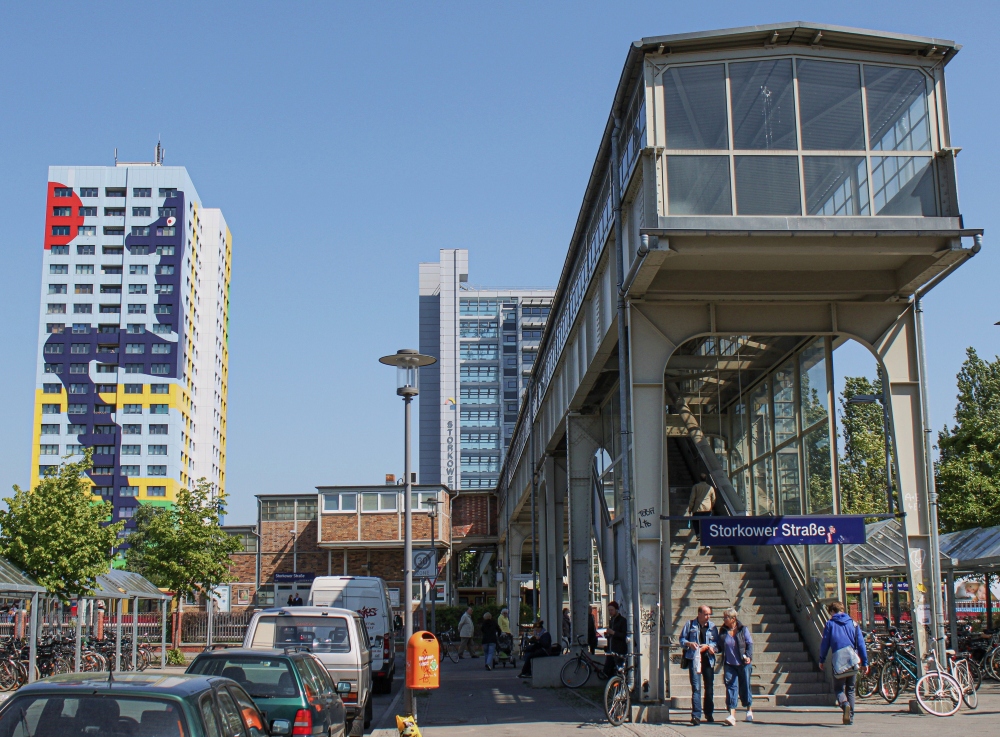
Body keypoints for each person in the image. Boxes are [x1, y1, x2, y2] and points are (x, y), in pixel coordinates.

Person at [819, 601, 869, 725]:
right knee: (851, 689)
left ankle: (844, 704)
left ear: (832, 611)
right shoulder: (853, 623)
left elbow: (825, 643)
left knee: (838, 689)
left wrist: (822, 659)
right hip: (852, 660)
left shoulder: (830, 624)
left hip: (838, 661)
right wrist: (865, 662)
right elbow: (861, 644)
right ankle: (850, 717)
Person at [679, 604, 718, 726]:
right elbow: (682, 639)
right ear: (699, 614)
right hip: (694, 659)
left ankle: (709, 712)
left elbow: (717, 643)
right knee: (696, 688)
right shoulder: (690, 624)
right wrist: (689, 644)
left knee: (709, 687)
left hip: (707, 659)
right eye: (706, 614)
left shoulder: (712, 627)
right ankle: (696, 715)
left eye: (709, 614)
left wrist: (712, 647)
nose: (708, 617)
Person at [718, 608, 753, 725]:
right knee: (731, 687)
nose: (724, 619)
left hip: (743, 664)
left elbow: (749, 643)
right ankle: (732, 715)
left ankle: (749, 709)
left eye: (726, 617)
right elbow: (720, 645)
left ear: (733, 619)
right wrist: (714, 649)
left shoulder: (743, 629)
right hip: (729, 664)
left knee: (745, 686)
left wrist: (748, 656)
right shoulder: (722, 631)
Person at [603, 601, 628, 678]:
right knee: (607, 670)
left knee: (618, 670)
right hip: (611, 649)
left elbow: (624, 635)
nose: (610, 612)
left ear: (616, 610)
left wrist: (613, 633)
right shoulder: (612, 621)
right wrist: (607, 635)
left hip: (619, 650)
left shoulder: (622, 621)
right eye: (609, 610)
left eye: (612, 610)